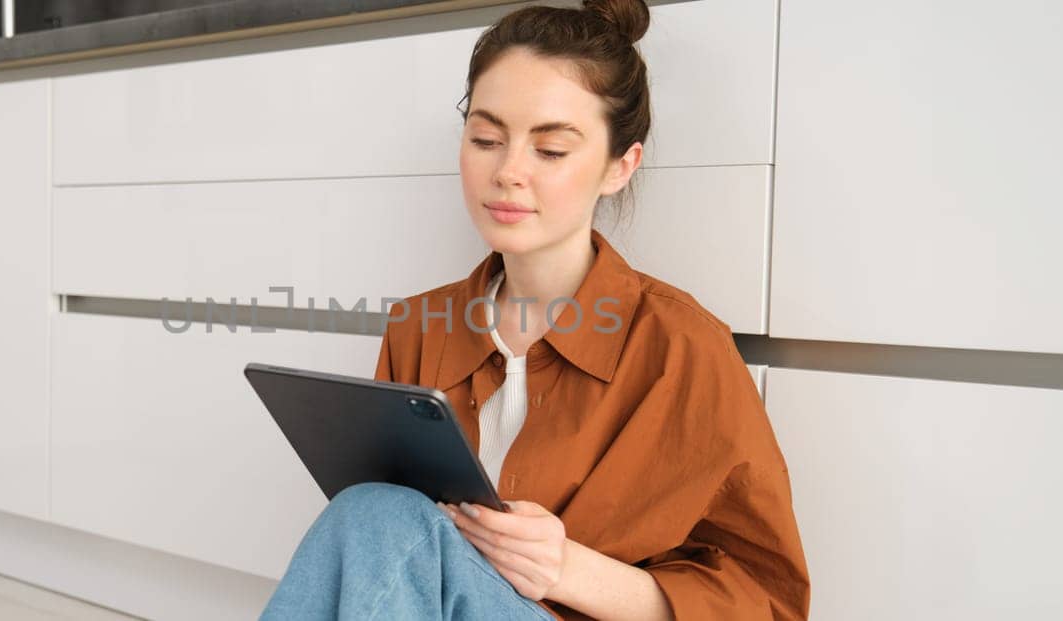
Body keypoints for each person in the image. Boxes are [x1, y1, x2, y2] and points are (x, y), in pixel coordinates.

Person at [260, 0, 810, 618]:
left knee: (379, 517)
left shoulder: (681, 348)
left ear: (619, 165)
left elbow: (766, 605)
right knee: (374, 517)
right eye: (486, 139)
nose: (508, 172)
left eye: (550, 150)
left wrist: (566, 568)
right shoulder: (419, 326)